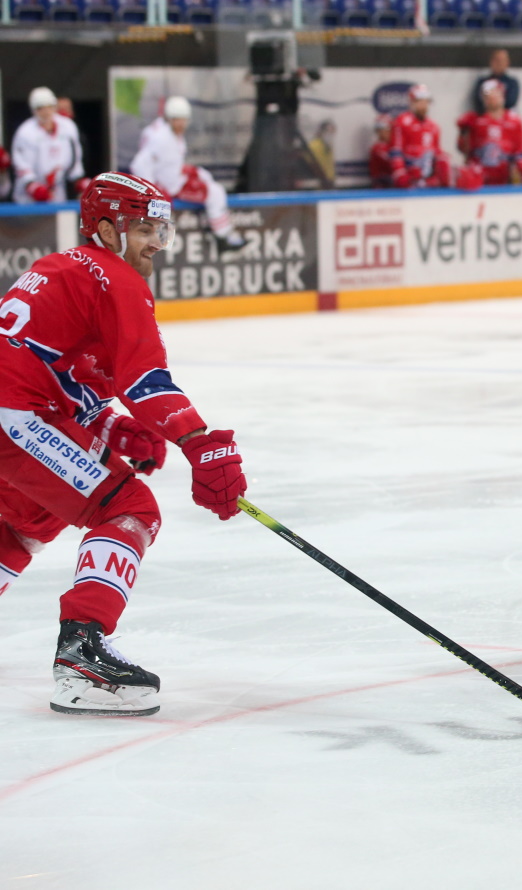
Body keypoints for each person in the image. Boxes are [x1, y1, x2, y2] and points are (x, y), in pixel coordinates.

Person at [0, 171, 248, 716]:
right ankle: (81, 657)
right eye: (145, 229)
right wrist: (200, 441)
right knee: (128, 508)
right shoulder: (114, 276)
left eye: (163, 229)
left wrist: (115, 428)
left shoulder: (64, 267)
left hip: (17, 410)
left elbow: (64, 370)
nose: (158, 243)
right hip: (14, 415)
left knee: (28, 520)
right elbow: (144, 377)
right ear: (108, 229)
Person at [129, 96, 244, 254]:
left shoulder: (168, 132)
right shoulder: (161, 138)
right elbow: (138, 165)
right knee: (215, 192)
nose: (181, 124)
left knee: (205, 176)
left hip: (175, 178)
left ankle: (219, 229)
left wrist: (188, 171)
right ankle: (222, 236)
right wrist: (153, 192)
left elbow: (166, 163)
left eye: (184, 120)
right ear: (169, 118)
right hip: (171, 187)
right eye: (177, 120)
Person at [11, 87, 85, 205]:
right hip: (28, 200)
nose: (46, 112)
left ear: (55, 107)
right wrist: (33, 187)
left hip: (57, 194)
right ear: (33, 110)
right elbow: (21, 166)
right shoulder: (25, 132)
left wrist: (79, 180)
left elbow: (74, 159)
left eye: (49, 106)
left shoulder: (68, 127)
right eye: (40, 108)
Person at [457, 80, 522, 186]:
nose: (493, 98)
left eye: (496, 93)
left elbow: (519, 154)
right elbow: (463, 150)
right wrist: (462, 132)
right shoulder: (475, 120)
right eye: (488, 95)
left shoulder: (515, 121)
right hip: (479, 179)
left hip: (504, 178)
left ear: (502, 95)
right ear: (483, 99)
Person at [390, 84, 449, 189]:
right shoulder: (402, 122)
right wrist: (400, 173)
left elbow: (436, 152)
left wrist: (442, 169)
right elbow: (396, 151)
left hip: (428, 181)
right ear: (412, 102)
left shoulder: (433, 127)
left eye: (426, 101)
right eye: (419, 101)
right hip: (408, 180)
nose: (423, 105)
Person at [472, 48, 521, 114]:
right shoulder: (483, 81)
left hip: (505, 118)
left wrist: (496, 107)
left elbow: (511, 101)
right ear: (491, 62)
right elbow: (478, 100)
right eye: (497, 60)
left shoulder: (512, 82)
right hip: (486, 116)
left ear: (507, 63)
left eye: (502, 61)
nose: (499, 64)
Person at [307, 120, 336, 188]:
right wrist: (323, 180)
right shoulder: (314, 145)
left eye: (332, 132)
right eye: (328, 131)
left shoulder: (328, 145)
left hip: (330, 181)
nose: (330, 134)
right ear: (321, 131)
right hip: (320, 183)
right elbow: (312, 164)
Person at [369, 115, 393, 188]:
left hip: (393, 182)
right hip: (382, 184)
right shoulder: (377, 148)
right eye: (379, 130)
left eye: (389, 129)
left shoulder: (394, 145)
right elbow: (391, 162)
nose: (381, 133)